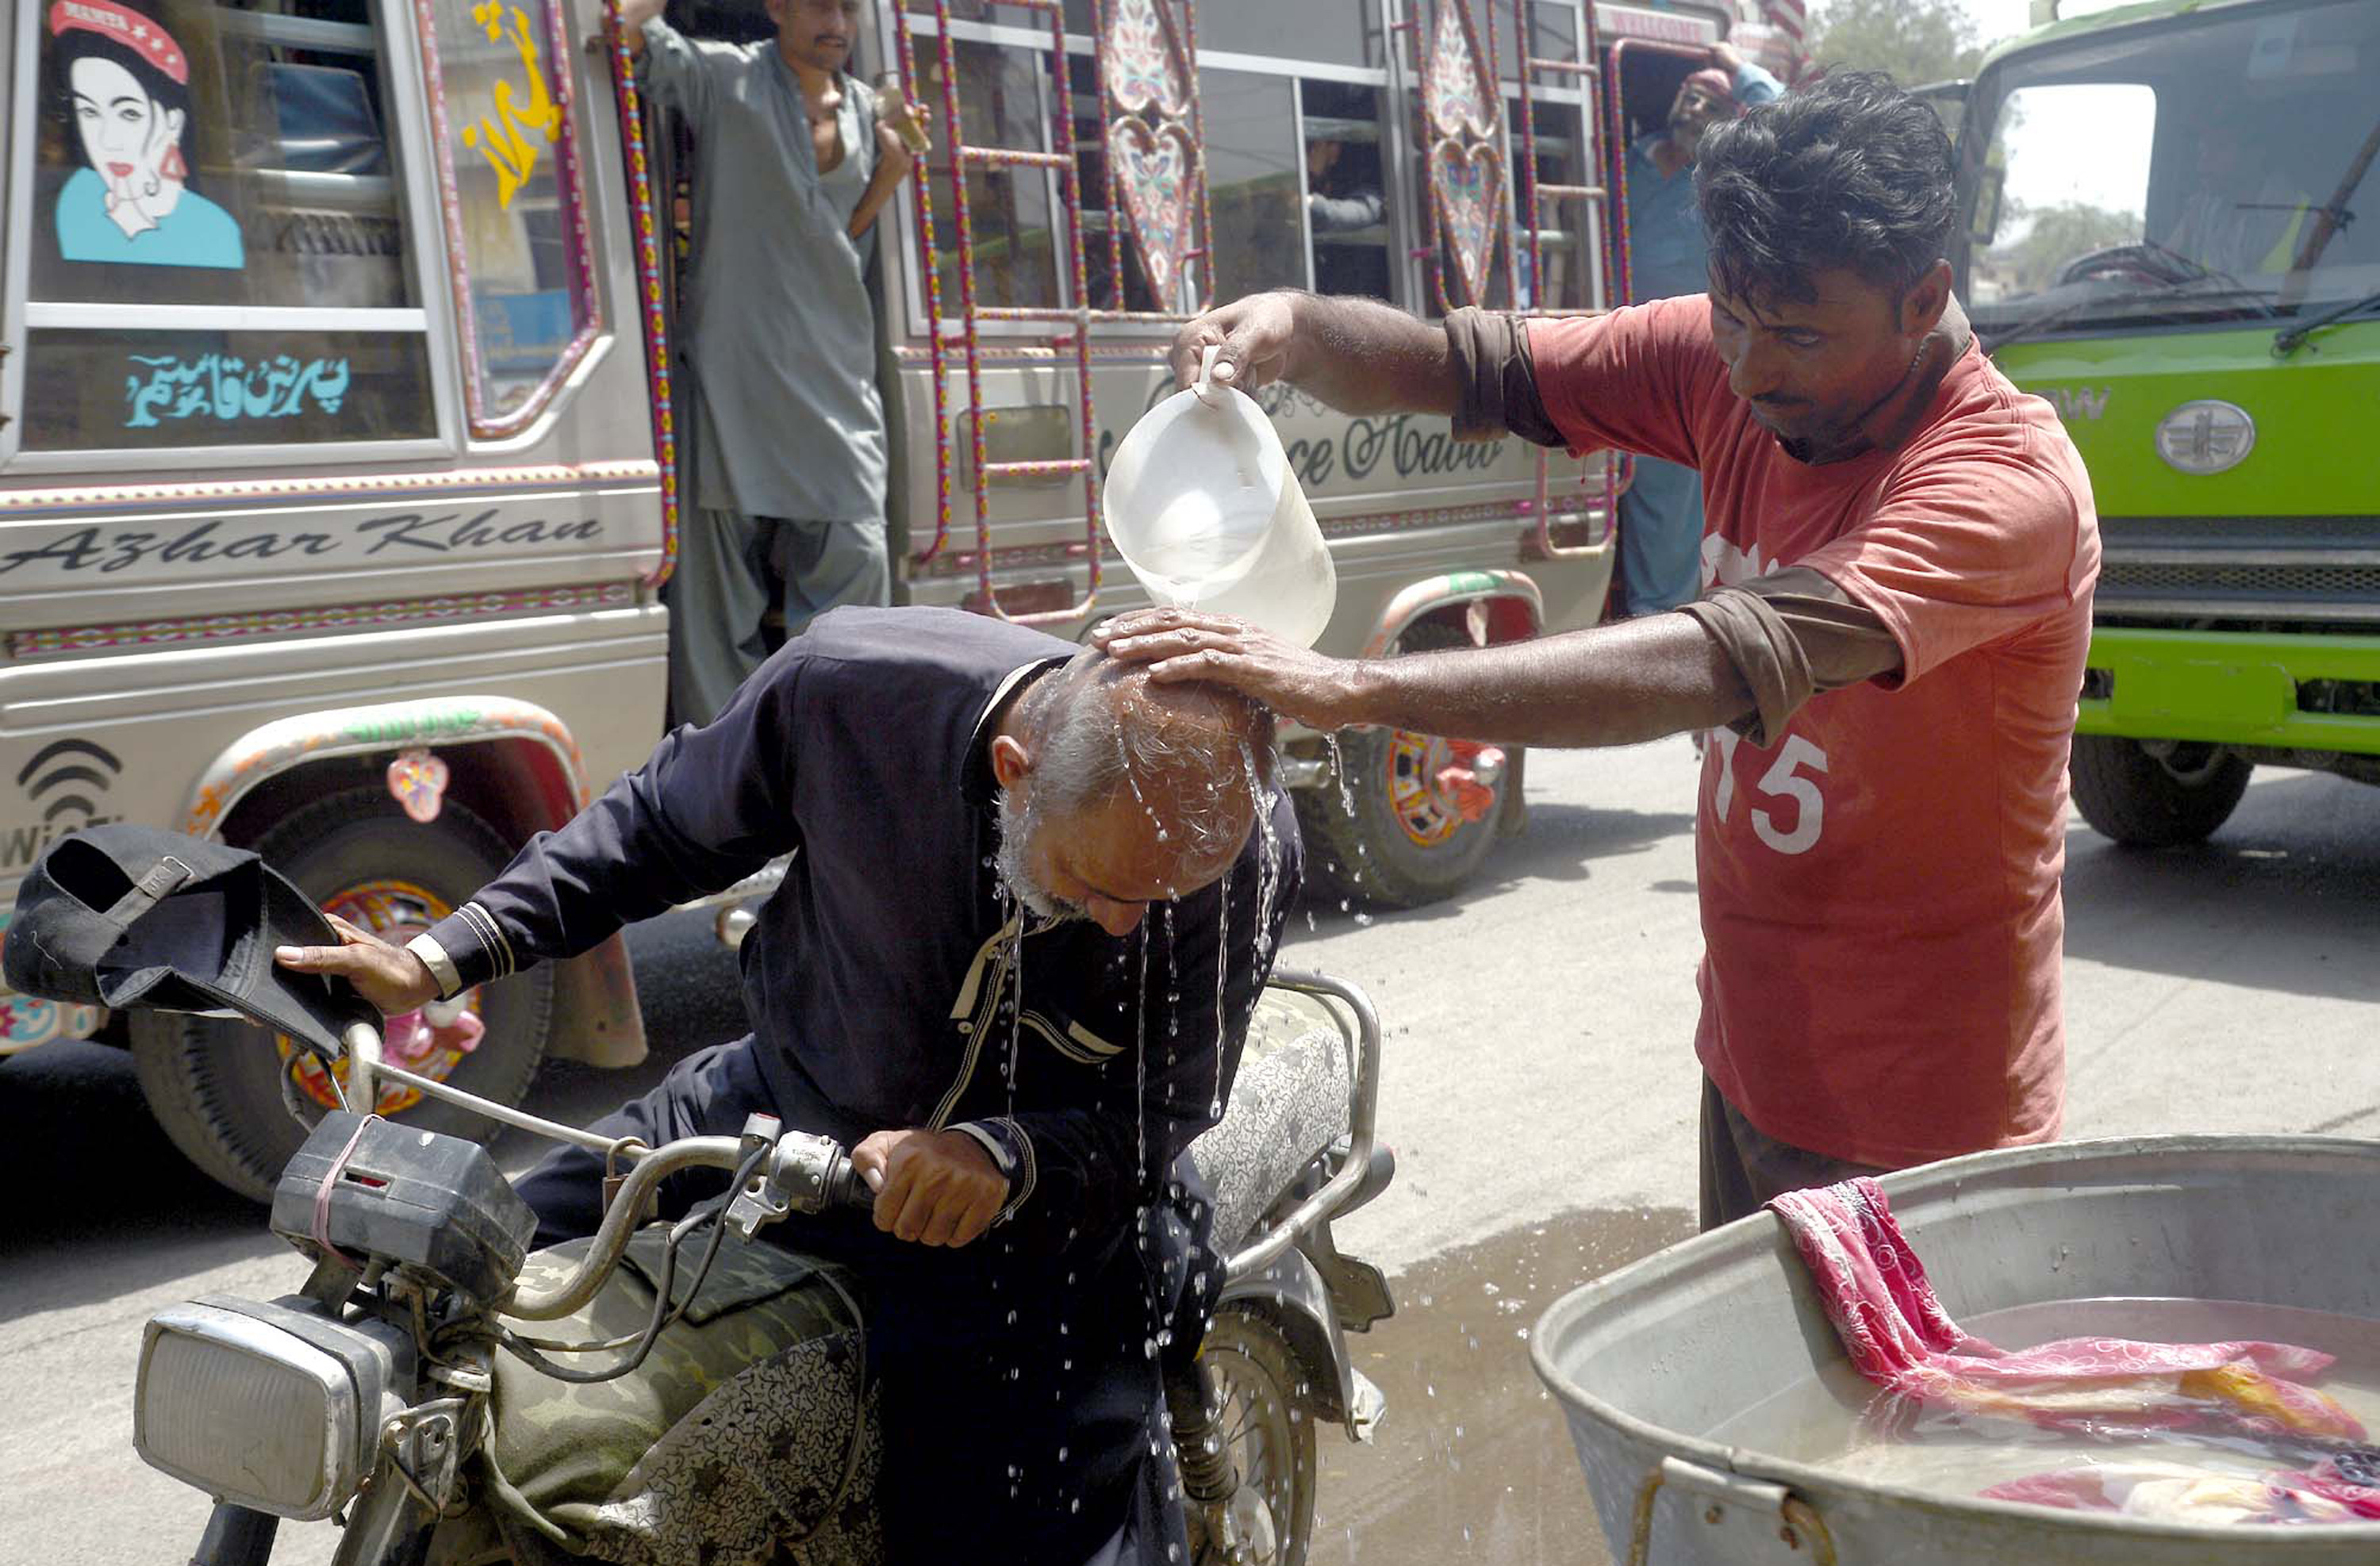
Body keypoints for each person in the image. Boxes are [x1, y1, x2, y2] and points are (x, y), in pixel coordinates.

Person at [1096, 73, 2102, 1232]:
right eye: (1731, 312)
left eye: (1797, 333)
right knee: (1745, 1408)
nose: (1749, 365)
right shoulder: (1729, 362)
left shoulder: (1999, 486)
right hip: (1753, 1057)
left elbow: (1722, 660)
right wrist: (1293, 327)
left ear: (1925, 299)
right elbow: (1466, 366)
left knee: (1898, 1415)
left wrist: (1357, 687)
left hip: (1927, 1111)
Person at [276, 605, 1303, 1564]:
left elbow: (1160, 1110)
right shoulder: (852, 690)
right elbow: (655, 830)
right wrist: (442, 957)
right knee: (414, 1285)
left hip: (1038, 1227)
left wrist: (1000, 1155)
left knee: (1008, 1527)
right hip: (775, 1107)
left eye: (1160, 897)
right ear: (1014, 771)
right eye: (1099, 887)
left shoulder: (1239, 850)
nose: (1130, 923)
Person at [623, 0, 919, 726]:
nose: (840, 23)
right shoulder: (725, 78)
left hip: (835, 377)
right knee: (714, 610)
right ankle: (726, 791)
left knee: (857, 581)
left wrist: (890, 174)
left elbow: (829, 234)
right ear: (777, 8)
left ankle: (833, 760)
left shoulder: (864, 106)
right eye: (822, 5)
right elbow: (627, 31)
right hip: (731, 375)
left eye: (849, 9)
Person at [1615, 40, 1780, 618]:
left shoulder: (1722, 177)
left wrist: (1741, 68)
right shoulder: (1624, 164)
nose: (1694, 110)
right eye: (1691, 97)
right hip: (1622, 349)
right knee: (1635, 490)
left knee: (1673, 496)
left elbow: (1785, 124)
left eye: (1711, 102)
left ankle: (1658, 626)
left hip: (1695, 357)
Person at [49, 0, 244, 268]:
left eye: (129, 114)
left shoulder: (212, 230)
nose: (108, 141)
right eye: (89, 112)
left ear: (172, 122)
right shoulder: (73, 200)